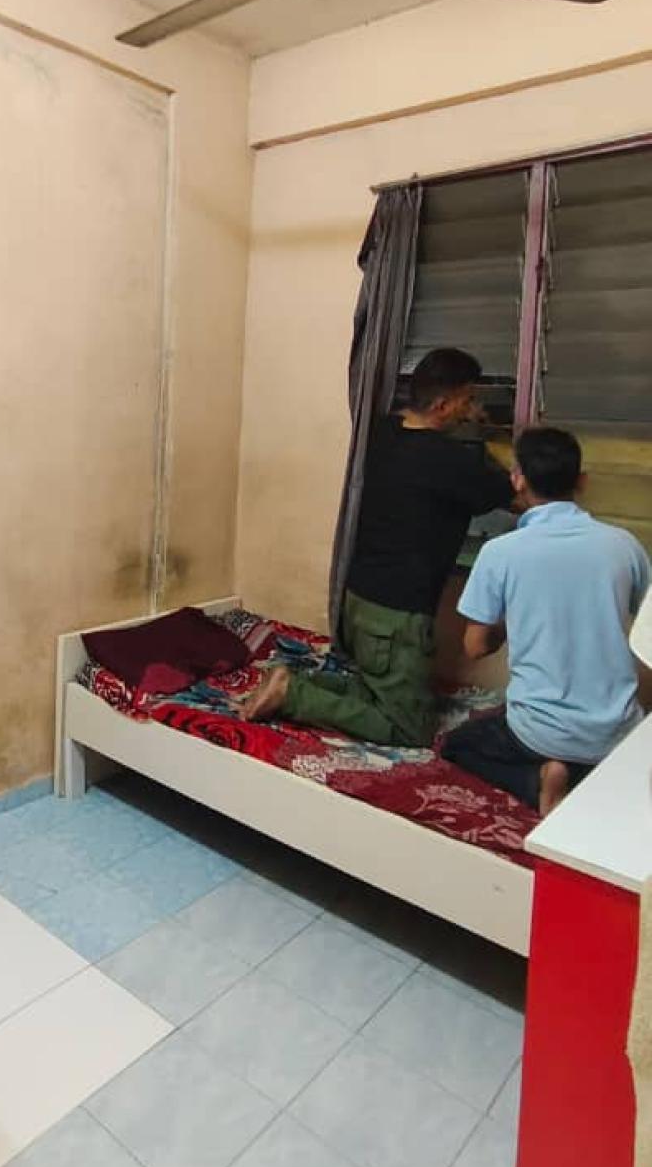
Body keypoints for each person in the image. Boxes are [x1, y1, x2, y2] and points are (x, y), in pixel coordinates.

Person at [243, 347, 513, 746]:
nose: (472, 409)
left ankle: (295, 679)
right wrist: (501, 440)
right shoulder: (448, 461)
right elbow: (514, 491)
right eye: (467, 400)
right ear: (441, 405)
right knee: (410, 729)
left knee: (379, 689)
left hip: (357, 600)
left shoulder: (382, 433)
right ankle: (295, 694)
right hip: (395, 618)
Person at [443, 426, 650, 816]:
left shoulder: (500, 553)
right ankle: (593, 774)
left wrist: (513, 620)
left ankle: (536, 780)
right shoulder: (624, 546)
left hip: (538, 733)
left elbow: (476, 646)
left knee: (458, 745)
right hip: (616, 729)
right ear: (582, 481)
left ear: (517, 479)